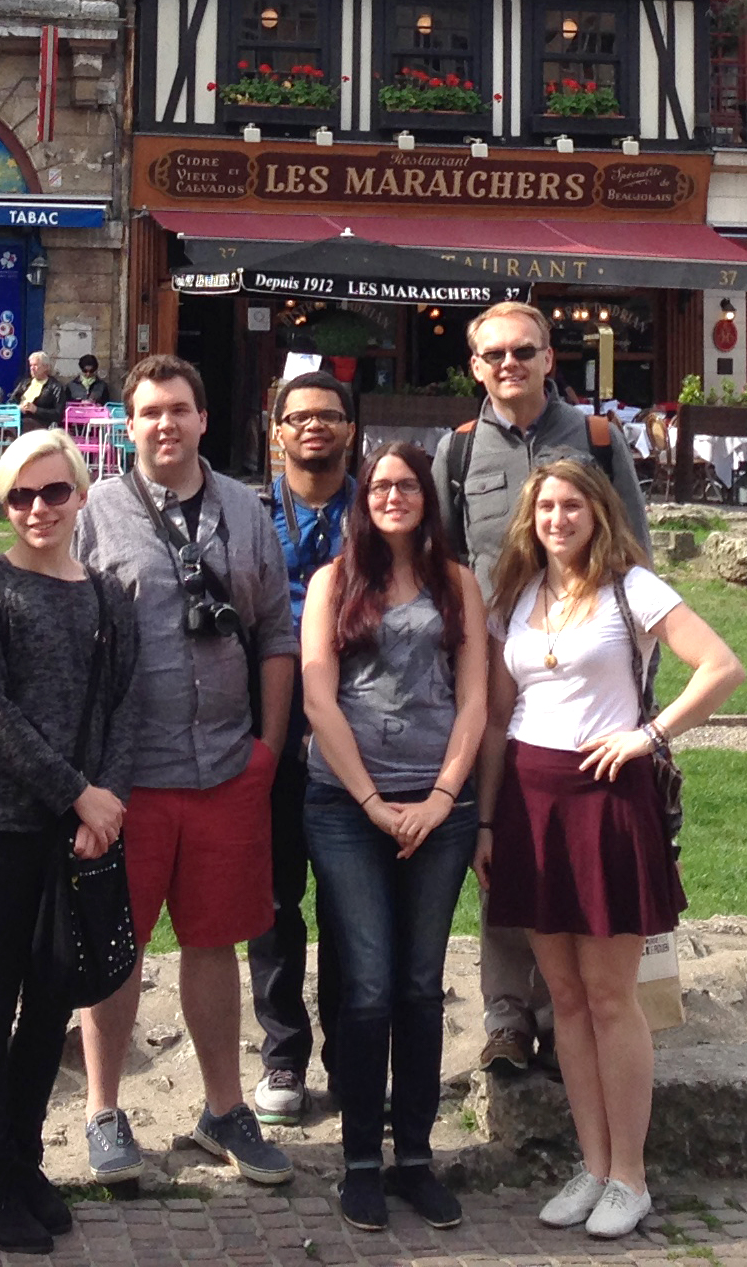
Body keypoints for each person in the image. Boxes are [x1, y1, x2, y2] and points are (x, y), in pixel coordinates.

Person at [478, 460, 743, 1240]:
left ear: (598, 512)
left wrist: (650, 733)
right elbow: (498, 718)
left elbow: (722, 666)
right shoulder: (518, 597)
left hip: (605, 800)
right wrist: (488, 822)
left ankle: (631, 1172)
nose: (557, 518)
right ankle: (592, 1163)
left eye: (571, 505)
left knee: (608, 996)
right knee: (560, 999)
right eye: (545, 506)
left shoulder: (633, 587)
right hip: (530, 802)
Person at [70, 355, 296, 1188]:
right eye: (148, 412)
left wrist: (268, 747)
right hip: (130, 777)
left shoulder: (246, 508)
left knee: (214, 944)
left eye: (179, 409)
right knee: (115, 951)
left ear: (205, 417)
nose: (165, 424)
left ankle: (223, 1106)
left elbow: (276, 631)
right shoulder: (97, 511)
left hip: (227, 765)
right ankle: (103, 1109)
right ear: (128, 425)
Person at [431, 299, 651, 1074]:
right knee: (501, 841)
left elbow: (636, 556)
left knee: (585, 848)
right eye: (493, 354)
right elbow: (444, 566)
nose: (508, 365)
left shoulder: (594, 439)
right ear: (475, 365)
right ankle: (506, 1013)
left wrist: (637, 694)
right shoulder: (458, 454)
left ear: (550, 357)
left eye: (523, 351)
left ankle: (574, 1011)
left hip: (588, 674)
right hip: (500, 668)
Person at [0, 429, 136, 1254]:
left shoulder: (107, 595)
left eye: (53, 492)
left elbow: (124, 707)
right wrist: (77, 792)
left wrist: (107, 804)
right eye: (20, 496)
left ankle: (24, 1156)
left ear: (80, 494)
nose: (38, 509)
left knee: (55, 992)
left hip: (80, 828)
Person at [300, 441, 487, 1232]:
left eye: (407, 484)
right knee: (369, 982)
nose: (394, 496)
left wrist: (443, 796)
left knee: (419, 982)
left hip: (439, 806)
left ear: (427, 496)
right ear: (362, 498)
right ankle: (360, 1161)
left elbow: (476, 701)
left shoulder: (457, 583)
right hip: (348, 806)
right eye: (380, 485)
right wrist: (374, 801)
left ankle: (416, 1154)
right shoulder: (331, 582)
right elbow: (317, 696)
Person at [248, 370, 359, 1127]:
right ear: (277, 430)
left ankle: (353, 1056)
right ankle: (283, 1049)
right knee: (275, 896)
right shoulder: (250, 515)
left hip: (360, 725)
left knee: (352, 901)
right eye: (299, 416)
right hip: (271, 723)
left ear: (350, 429)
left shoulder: (383, 509)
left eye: (329, 415)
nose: (314, 426)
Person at [15, 351, 68, 436]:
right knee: (6, 425)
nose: (32, 368)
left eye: (35, 365)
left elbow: (58, 414)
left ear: (45, 367)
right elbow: (11, 401)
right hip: (20, 418)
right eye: (31, 365)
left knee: (19, 426)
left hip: (42, 423)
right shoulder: (24, 383)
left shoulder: (55, 387)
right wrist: (19, 407)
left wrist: (36, 410)